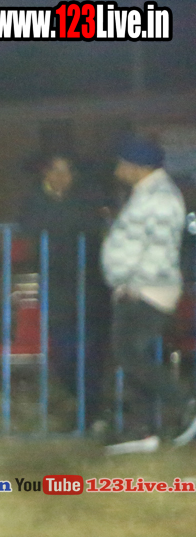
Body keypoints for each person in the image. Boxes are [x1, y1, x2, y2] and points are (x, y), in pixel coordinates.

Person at [102, 137, 196, 454]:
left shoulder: (160, 197)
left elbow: (157, 248)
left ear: (137, 166)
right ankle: (140, 430)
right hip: (142, 287)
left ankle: (184, 403)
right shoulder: (151, 193)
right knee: (131, 358)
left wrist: (132, 283)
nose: (118, 169)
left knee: (129, 355)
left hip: (146, 289)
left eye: (122, 163)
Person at [17, 153, 109, 428]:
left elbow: (92, 225)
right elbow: (30, 226)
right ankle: (86, 407)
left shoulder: (86, 197)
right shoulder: (33, 200)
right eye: (56, 170)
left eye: (67, 171)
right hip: (57, 287)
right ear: (45, 173)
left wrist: (61, 222)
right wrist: (67, 221)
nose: (62, 177)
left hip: (90, 285)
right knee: (64, 354)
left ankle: (92, 412)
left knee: (91, 353)